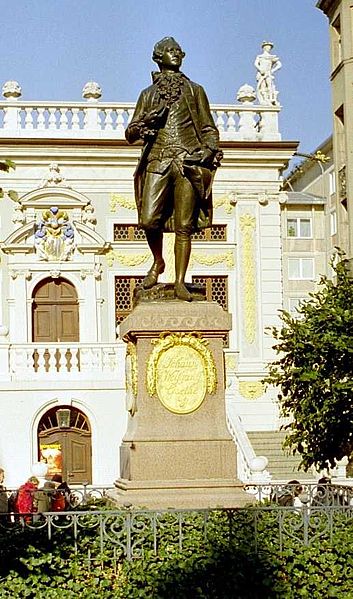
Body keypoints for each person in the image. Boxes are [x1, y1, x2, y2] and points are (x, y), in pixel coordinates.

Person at [125, 37, 222, 302]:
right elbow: (130, 133)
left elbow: (208, 127)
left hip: (187, 161)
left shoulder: (195, 90)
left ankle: (180, 282)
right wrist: (146, 121)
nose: (176, 54)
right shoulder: (147, 95)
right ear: (158, 57)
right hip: (157, 160)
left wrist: (209, 149)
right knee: (147, 219)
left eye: (178, 50)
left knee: (184, 226)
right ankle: (158, 262)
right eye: (170, 51)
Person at [254, 41, 281, 106]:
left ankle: (271, 98)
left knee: (269, 86)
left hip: (268, 73)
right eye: (267, 47)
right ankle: (264, 99)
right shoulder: (260, 56)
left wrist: (272, 70)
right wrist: (260, 70)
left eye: (269, 47)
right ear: (264, 48)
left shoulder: (271, 57)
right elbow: (255, 64)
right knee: (262, 86)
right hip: (261, 74)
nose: (268, 48)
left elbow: (279, 65)